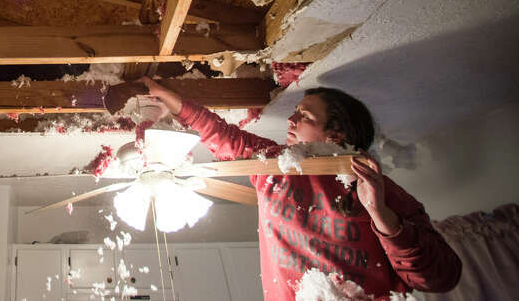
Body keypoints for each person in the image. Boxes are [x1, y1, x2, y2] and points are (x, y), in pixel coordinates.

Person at [138, 77, 461, 300]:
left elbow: (440, 278)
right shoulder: (277, 167)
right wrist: (171, 100)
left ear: (335, 135)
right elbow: (225, 137)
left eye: (304, 115)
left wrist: (381, 215)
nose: (290, 120)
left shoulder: (379, 189)